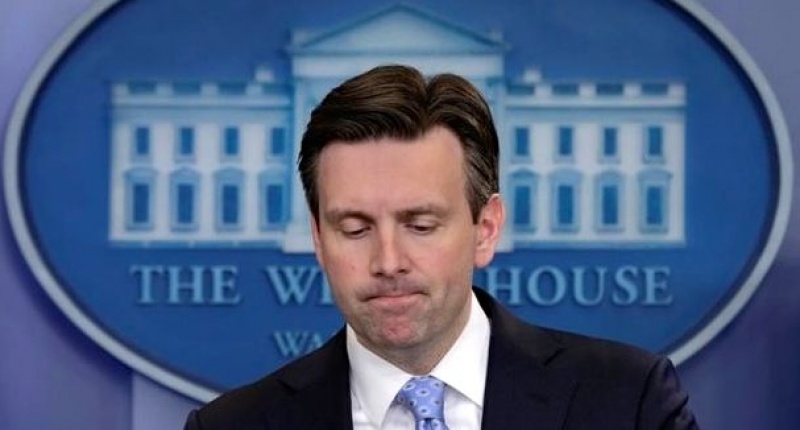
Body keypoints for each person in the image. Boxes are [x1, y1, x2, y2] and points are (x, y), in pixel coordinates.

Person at [184, 64, 698, 429]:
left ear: (486, 228)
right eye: (356, 229)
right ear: (318, 239)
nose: (388, 262)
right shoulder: (235, 425)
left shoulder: (627, 401)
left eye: (421, 225)